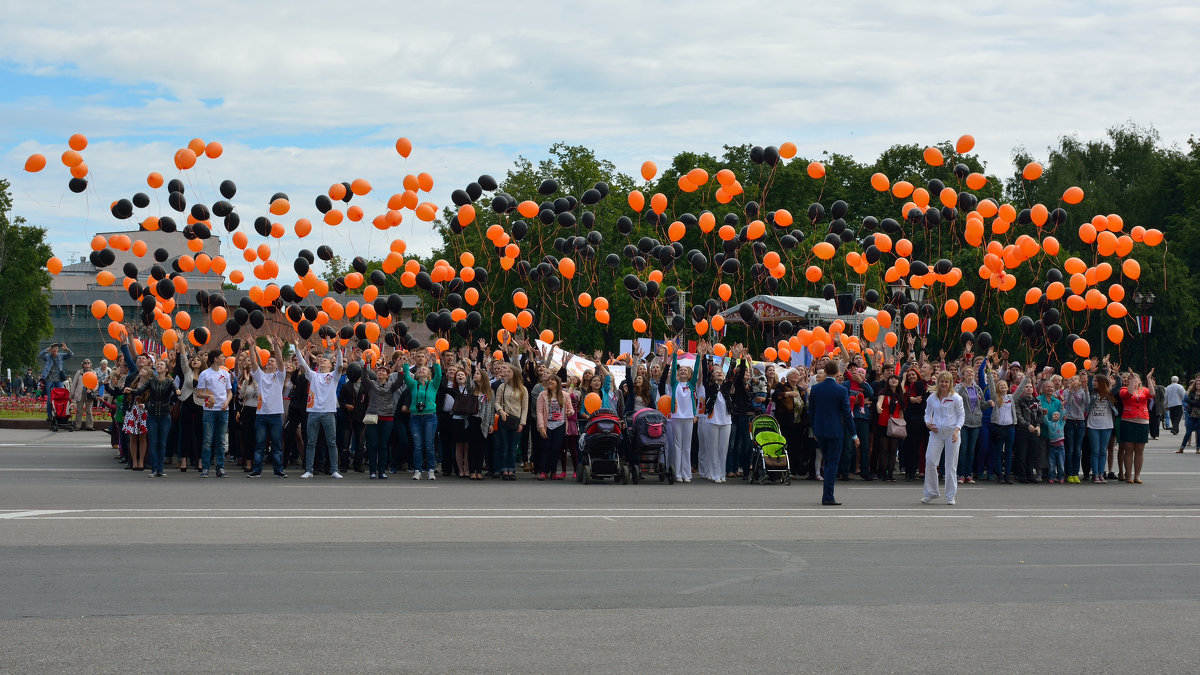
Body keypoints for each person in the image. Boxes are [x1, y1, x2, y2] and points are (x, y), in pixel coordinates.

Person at [809, 360, 858, 506]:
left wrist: (815, 429)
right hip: (835, 431)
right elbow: (847, 414)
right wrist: (854, 434)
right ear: (837, 372)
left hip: (820, 430)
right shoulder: (841, 390)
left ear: (824, 371)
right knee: (832, 463)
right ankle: (828, 495)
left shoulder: (816, 389)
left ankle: (828, 494)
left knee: (827, 461)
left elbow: (811, 411)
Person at [294, 341, 344, 479]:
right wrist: (297, 348)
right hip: (314, 412)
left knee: (331, 442)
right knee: (311, 442)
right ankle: (309, 470)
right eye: (321, 359)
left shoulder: (333, 376)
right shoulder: (313, 375)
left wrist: (338, 350)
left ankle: (334, 470)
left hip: (328, 413)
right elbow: (303, 365)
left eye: (325, 360)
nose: (322, 360)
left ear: (330, 365)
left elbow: (340, 365)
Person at [923, 371, 965, 505]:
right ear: (938, 382)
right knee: (930, 461)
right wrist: (928, 424)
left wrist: (957, 430)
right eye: (942, 381)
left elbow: (961, 416)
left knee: (950, 465)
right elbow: (927, 413)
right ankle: (931, 492)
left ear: (950, 383)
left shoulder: (956, 398)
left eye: (947, 382)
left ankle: (950, 496)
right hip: (936, 433)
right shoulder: (931, 398)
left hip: (952, 433)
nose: (944, 384)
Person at [132, 358, 178, 477]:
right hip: (152, 416)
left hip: (164, 416)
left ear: (166, 369)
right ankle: (154, 469)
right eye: (158, 364)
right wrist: (130, 390)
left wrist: (177, 391)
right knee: (153, 443)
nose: (159, 366)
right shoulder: (151, 381)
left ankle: (161, 469)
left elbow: (176, 393)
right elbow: (140, 391)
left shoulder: (169, 382)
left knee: (162, 444)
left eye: (161, 365)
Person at [249, 336, 288, 478]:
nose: (270, 362)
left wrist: (276, 346)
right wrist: (252, 347)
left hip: (276, 415)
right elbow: (253, 362)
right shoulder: (261, 376)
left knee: (277, 445)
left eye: (273, 361)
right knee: (259, 444)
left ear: (277, 365)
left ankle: (278, 470)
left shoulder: (280, 376)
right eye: (268, 361)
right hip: (261, 415)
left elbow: (280, 360)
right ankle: (256, 470)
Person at [402, 348, 443, 480]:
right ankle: (417, 470)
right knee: (418, 444)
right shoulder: (413, 384)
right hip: (415, 417)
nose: (421, 370)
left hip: (430, 417)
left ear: (429, 373)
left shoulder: (433, 385)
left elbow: (439, 376)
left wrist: (435, 362)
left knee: (429, 444)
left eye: (424, 369)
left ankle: (431, 469)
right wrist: (406, 363)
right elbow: (406, 376)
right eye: (419, 370)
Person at [668, 342, 703, 483]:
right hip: (676, 416)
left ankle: (686, 473)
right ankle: (678, 473)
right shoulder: (674, 384)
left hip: (688, 416)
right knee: (677, 445)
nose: (682, 371)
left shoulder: (691, 384)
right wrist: (675, 354)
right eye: (680, 370)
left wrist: (699, 356)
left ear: (688, 375)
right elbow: (672, 374)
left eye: (685, 371)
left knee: (687, 445)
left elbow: (696, 373)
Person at [194, 350, 232, 478]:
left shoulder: (225, 373)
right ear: (215, 359)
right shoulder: (205, 374)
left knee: (221, 441)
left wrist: (227, 401)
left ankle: (220, 467)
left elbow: (229, 392)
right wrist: (209, 395)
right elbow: (199, 392)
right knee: (208, 441)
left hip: (223, 410)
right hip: (209, 411)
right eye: (222, 356)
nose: (224, 358)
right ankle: (205, 467)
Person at [1118, 370, 1154, 484]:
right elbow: (1128, 394)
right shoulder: (1123, 390)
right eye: (1131, 379)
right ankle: (1128, 475)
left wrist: (1149, 379)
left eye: (1135, 378)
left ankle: (1137, 475)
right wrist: (1131, 380)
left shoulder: (1144, 390)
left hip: (1142, 421)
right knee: (1128, 449)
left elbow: (1152, 394)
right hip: (1128, 421)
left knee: (1139, 450)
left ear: (1140, 381)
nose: (1133, 380)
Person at [493, 361, 527, 481]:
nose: (506, 373)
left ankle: (511, 470)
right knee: (504, 445)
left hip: (516, 420)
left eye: (509, 371)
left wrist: (522, 423)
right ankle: (504, 469)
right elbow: (496, 402)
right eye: (506, 371)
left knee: (513, 447)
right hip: (504, 418)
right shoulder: (502, 387)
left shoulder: (523, 389)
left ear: (515, 373)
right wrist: (501, 411)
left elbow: (524, 408)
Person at [535, 374, 574, 481]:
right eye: (548, 380)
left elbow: (571, 409)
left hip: (560, 425)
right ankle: (543, 471)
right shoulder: (542, 395)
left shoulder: (565, 395)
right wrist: (541, 427)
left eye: (552, 380)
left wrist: (570, 412)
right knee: (545, 448)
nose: (550, 382)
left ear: (558, 382)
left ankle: (553, 472)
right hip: (548, 425)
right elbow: (539, 412)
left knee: (556, 449)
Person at [955, 366, 985, 485]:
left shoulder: (977, 388)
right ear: (962, 375)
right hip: (963, 422)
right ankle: (961, 474)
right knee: (963, 449)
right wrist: (964, 386)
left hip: (976, 422)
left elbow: (981, 405)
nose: (969, 373)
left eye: (971, 371)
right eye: (967, 372)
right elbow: (955, 398)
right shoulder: (958, 387)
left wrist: (989, 403)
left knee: (971, 450)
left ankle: (968, 474)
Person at [1086, 366, 1116, 482]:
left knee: (1103, 450)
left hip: (1107, 425)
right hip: (1093, 425)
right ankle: (1095, 474)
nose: (1093, 383)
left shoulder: (1109, 394)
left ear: (1102, 382)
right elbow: (1088, 386)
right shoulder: (1092, 393)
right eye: (1093, 381)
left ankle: (1101, 473)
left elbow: (1117, 386)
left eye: (1096, 381)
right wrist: (1091, 373)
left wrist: (1116, 375)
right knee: (1095, 450)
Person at [38, 342, 73, 422]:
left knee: (61, 397)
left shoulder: (61, 356)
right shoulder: (47, 356)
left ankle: (60, 414)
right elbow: (41, 354)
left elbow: (71, 355)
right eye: (53, 348)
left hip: (59, 380)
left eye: (56, 348)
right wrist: (48, 348)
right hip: (49, 380)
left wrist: (66, 349)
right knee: (50, 398)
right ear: (51, 350)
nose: (55, 349)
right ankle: (49, 415)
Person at [69, 357, 96, 431]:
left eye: (88, 363)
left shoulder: (93, 373)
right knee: (79, 410)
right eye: (85, 363)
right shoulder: (79, 372)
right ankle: (77, 426)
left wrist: (91, 390)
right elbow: (74, 383)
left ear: (90, 364)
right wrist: (71, 394)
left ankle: (89, 426)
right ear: (83, 365)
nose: (87, 364)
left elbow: (96, 384)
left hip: (89, 394)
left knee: (89, 410)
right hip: (80, 393)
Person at [1181, 377, 1200, 453]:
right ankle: (1182, 447)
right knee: (1188, 432)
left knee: (1199, 432)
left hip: (1199, 416)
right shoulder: (1191, 392)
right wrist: (1195, 403)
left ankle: (1198, 448)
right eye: (1197, 384)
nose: (1198, 385)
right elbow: (1187, 401)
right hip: (1191, 415)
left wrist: (1193, 403)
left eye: (1199, 384)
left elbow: (1196, 403)